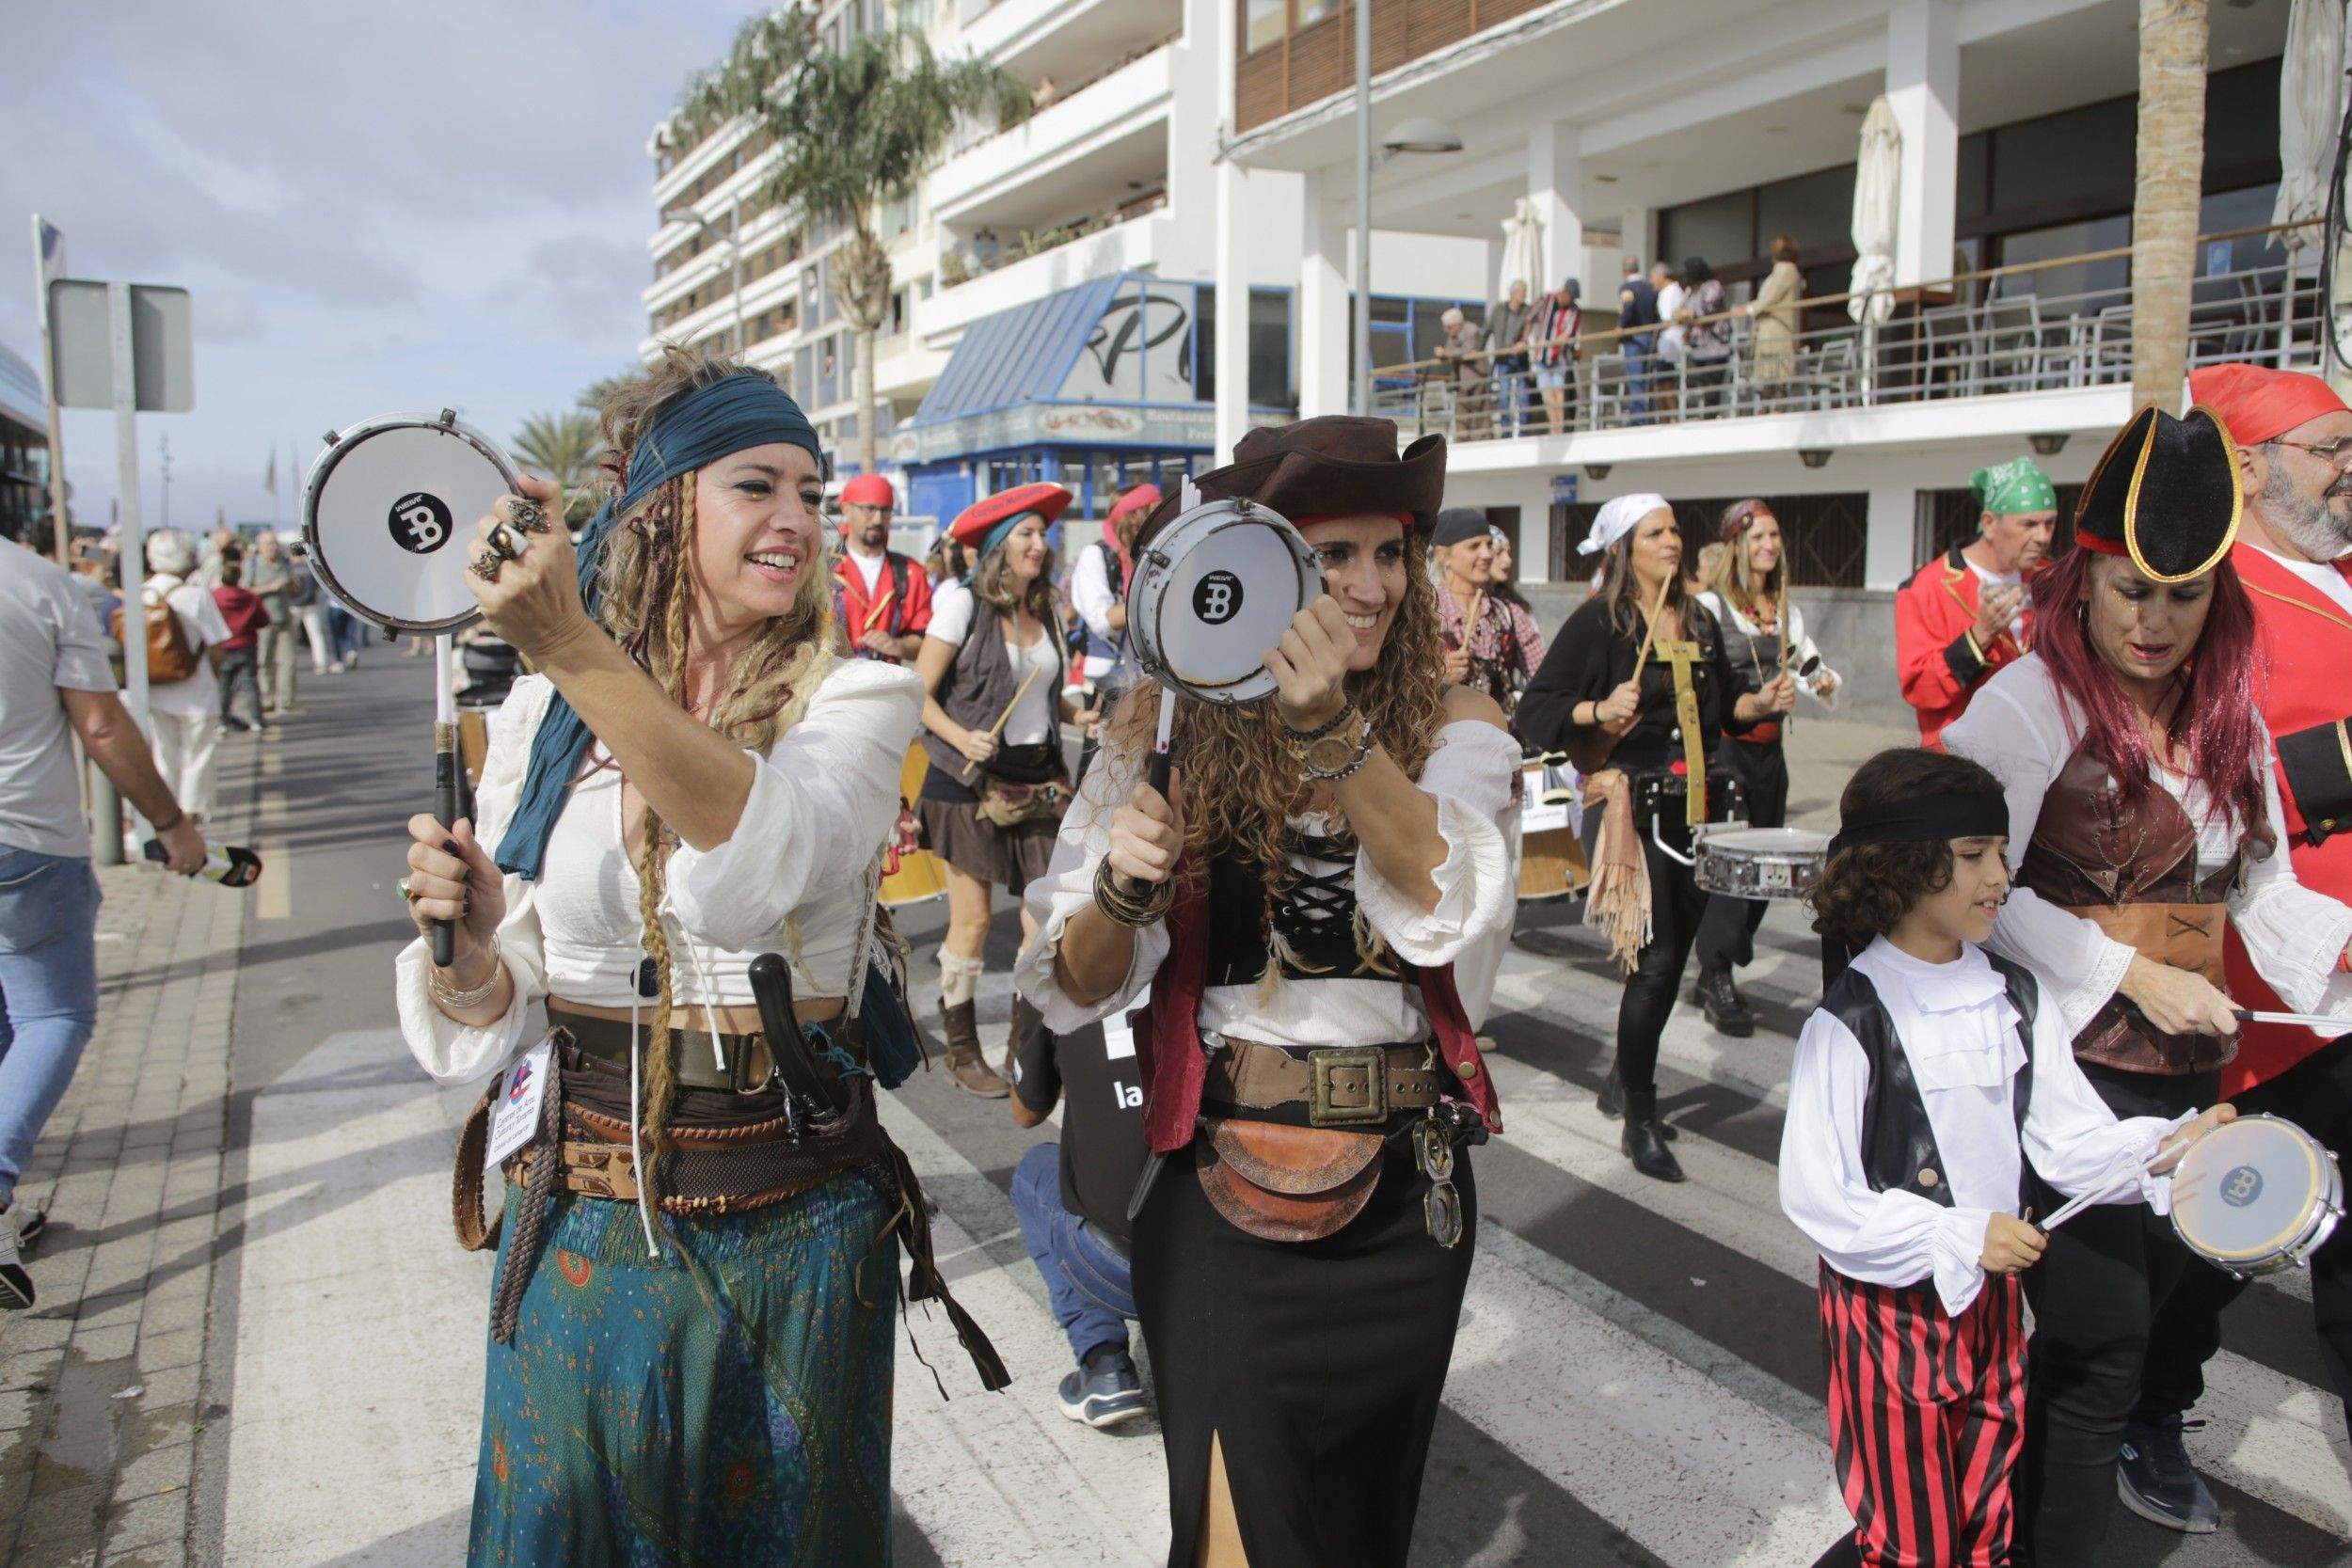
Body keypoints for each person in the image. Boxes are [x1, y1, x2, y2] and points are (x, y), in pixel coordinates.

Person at [393, 350, 1001, 1565]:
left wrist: (572, 646)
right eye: (757, 485)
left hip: (792, 1224)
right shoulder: (538, 722)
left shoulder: (856, 699)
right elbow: (501, 1007)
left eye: (813, 494)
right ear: (665, 504)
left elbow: (754, 871)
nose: (796, 519)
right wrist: (459, 949)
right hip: (580, 1222)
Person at [1018, 415, 1516, 1568]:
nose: (1372, 582)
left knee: (1359, 1537)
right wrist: (1126, 891)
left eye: (1390, 550)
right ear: (1254, 569)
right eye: (1333, 554)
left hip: (1404, 1199)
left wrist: (1335, 735)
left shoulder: (1458, 727)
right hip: (1223, 1198)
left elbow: (1450, 902)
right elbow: (1076, 986)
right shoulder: (1161, 728)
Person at [1943, 403, 2352, 1563]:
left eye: (2184, 592)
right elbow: (1975, 889)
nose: (2156, 620)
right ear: (2083, 583)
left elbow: (2261, 886)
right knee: (2103, 1341)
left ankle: (2011, 1523)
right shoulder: (2021, 710)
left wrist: (2341, 944)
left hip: (2189, 1086)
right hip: (2057, 1080)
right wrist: (2129, 969)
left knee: (2118, 1339)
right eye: (2131, 589)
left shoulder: (2232, 715)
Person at [1784, 745, 2233, 1568]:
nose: (2000, 876)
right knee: (1911, 1538)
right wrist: (1956, 1236)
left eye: (2001, 851)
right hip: (1892, 1319)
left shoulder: (2015, 995)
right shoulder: (1850, 1021)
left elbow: (2071, 1143)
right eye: (1972, 856)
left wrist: (2167, 1148)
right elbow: (1820, 1198)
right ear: (1904, 865)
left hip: (1990, 1306)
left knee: (1986, 1513)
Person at [2135, 363, 2352, 1529]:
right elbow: (2221, 771)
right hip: (2280, 978)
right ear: (2255, 464)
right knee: (2226, 1230)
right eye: (2328, 445)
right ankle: (2149, 1407)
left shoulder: (2340, 577)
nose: (2348, 463)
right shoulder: (2216, 594)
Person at [1518, 495, 1793, 1180]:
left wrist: (1761, 704)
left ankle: (1623, 1076)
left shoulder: (1697, 615)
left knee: (1672, 964)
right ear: (1624, 548)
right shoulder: (1599, 622)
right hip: (1633, 812)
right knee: (1658, 961)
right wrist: (1597, 707)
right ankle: (1640, 1111)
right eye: (1657, 532)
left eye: (1675, 529)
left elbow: (1726, 702)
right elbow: (1537, 709)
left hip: (1700, 809)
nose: (1673, 540)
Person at [0, 534, 207, 1308]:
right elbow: (103, 728)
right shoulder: (41, 587)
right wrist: (171, 823)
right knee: (53, 1013)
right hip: (22, 841)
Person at [914, 482, 1092, 1098]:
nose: (1039, 545)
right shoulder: (961, 606)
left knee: (1041, 919)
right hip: (968, 782)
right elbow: (918, 691)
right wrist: (962, 738)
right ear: (997, 547)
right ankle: (964, 1050)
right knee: (972, 919)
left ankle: (1024, 1048)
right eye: (1026, 534)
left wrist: (1080, 715)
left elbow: (1049, 697)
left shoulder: (1046, 611)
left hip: (1038, 779)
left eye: (1042, 535)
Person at [1692, 499, 1841, 1033]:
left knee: (1766, 869)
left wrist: (1819, 682)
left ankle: (1717, 963)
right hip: (1727, 753)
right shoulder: (1709, 606)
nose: (1769, 546)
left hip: (1769, 755)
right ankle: (1718, 972)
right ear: (1736, 545)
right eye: (1758, 537)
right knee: (1733, 868)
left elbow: (1809, 663)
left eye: (1775, 536)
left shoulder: (1783, 610)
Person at [1008, 1011, 1150, 1430]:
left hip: (1120, 1260)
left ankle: (1103, 1363)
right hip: (1229, 1240)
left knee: (1037, 1172)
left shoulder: (1058, 976)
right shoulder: (1218, 960)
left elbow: (1025, 1111)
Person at [1894, 455, 2057, 746]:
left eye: (2050, 523)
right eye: (2029, 524)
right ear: (1990, 523)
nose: (2042, 537)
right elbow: (1920, 689)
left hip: (2041, 756)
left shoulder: (2053, 579)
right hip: (1961, 765)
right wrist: (1980, 635)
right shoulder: (1926, 588)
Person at [129, 531, 231, 826]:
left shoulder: (140, 593)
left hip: (156, 689)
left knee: (164, 754)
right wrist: (215, 674)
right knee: (198, 754)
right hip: (196, 688)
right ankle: (192, 813)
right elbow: (216, 645)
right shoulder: (196, 595)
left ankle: (167, 815)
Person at [1069, 483, 1162, 778]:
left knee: (1146, 773)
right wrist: (1158, 593)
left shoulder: (1155, 556)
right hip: (1111, 684)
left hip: (1152, 681)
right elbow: (1100, 619)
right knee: (1103, 772)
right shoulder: (1096, 556)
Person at [1431, 508, 1544, 718]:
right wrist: (1438, 679)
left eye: (1489, 544)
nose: (1487, 554)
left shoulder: (1508, 614)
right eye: (1474, 546)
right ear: (1443, 555)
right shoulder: (1426, 612)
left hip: (1502, 739)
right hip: (1443, 740)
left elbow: (1544, 678)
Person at [832, 473, 931, 664]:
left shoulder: (911, 573)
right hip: (833, 687)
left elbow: (925, 641)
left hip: (888, 688)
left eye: (885, 511)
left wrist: (897, 645)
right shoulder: (822, 570)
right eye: (869, 509)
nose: (878, 519)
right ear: (847, 509)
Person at [211, 558, 270, 734]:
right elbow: (263, 620)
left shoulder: (214, 597)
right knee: (249, 682)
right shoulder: (249, 597)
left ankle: (222, 720)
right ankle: (256, 719)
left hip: (222, 646)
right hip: (246, 644)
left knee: (223, 685)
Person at [1745, 235, 1804, 403]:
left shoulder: (1787, 270)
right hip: (1768, 332)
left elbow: (1771, 297)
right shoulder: (1780, 271)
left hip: (1777, 330)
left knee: (1777, 374)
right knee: (1767, 375)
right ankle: (1767, 409)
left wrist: (1749, 309)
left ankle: (1776, 409)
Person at [246, 531, 298, 717]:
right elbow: (246, 591)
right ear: (260, 546)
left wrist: (292, 584)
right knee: (264, 661)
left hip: (285, 618)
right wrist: (270, 587)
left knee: (288, 661)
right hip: (263, 621)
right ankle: (267, 699)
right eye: (268, 544)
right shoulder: (252, 565)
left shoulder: (284, 563)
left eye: (274, 543)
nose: (272, 547)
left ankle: (286, 700)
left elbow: (295, 589)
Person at [1677, 258, 1732, 413]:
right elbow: (1679, 311)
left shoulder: (1713, 286)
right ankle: (1694, 414)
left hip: (1715, 345)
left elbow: (1707, 309)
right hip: (1695, 346)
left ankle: (1710, 416)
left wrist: (1690, 314)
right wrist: (1684, 315)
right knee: (1690, 379)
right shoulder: (1689, 291)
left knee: (1712, 385)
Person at [1531, 277, 1583, 436]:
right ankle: (1554, 426)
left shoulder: (1575, 311)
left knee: (1559, 394)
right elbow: (1529, 318)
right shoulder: (1546, 300)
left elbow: (1568, 334)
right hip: (1541, 357)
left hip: (1559, 357)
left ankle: (1558, 429)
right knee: (1547, 395)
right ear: (1564, 292)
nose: (1570, 300)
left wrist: (1553, 343)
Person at [1486, 279, 1537, 437]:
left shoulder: (1528, 310)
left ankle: (1523, 431)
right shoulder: (1499, 309)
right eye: (1523, 292)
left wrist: (1523, 342)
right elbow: (1487, 330)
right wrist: (1477, 351)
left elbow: (1529, 328)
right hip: (1503, 358)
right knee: (1504, 396)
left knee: (1523, 396)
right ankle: (1506, 431)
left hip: (1520, 359)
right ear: (1514, 294)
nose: (1525, 295)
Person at [1617, 255, 1661, 420]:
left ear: (1624, 272)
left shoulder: (1627, 287)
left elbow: (1628, 306)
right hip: (1649, 336)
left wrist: (1621, 325)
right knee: (1647, 377)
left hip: (1634, 338)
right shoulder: (1650, 287)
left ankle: (1638, 417)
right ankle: (1648, 414)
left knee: (1636, 378)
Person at [1435, 307, 1489, 440]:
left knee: (1480, 411)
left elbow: (1467, 351)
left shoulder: (1472, 330)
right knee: (1460, 412)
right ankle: (1462, 439)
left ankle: (1482, 439)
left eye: (1448, 327)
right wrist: (1444, 354)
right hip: (1460, 381)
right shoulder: (1452, 335)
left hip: (1476, 378)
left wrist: (1447, 353)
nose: (1446, 330)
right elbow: (1452, 351)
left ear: (1456, 324)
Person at [1652, 261, 1688, 418]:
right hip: (1665, 344)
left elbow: (1671, 317)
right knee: (1660, 384)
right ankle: (1666, 418)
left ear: (1661, 276)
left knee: (1665, 384)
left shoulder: (1673, 291)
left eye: (1653, 277)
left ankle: (1673, 418)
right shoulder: (1665, 292)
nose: (1652, 280)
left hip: (1672, 343)